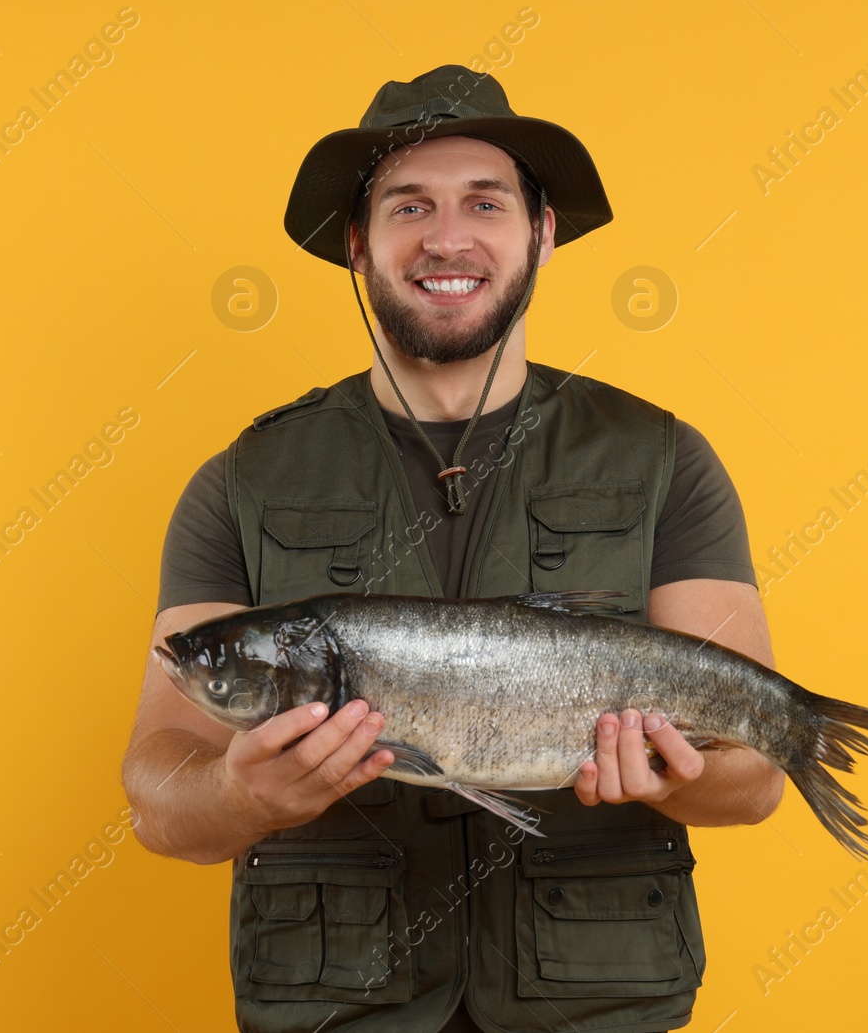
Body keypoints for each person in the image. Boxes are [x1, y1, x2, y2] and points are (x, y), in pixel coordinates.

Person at [122, 64, 785, 1033]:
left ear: (541, 233)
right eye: (407, 206)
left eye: (485, 201)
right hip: (336, 999)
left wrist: (682, 772)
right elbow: (158, 796)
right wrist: (234, 791)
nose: (446, 236)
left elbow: (754, 779)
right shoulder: (241, 479)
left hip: (595, 996)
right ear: (357, 244)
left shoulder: (662, 461)